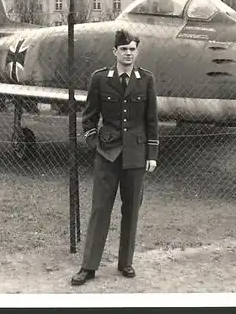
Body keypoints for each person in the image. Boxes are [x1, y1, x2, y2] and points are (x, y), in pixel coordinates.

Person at [71, 29, 159, 285]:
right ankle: (88, 266)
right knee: (100, 209)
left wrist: (151, 153)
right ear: (115, 52)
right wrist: (94, 142)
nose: (128, 53)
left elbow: (151, 120)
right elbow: (89, 116)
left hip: (136, 156)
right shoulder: (100, 79)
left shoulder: (146, 80)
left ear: (137, 52)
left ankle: (125, 262)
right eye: (124, 49)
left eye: (132, 49)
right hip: (107, 154)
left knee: (131, 210)